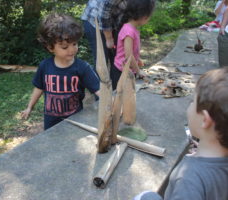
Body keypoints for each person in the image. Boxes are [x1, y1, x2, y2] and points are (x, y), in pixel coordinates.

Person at [133, 67, 228, 200]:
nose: (189, 106)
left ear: (205, 120)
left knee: (145, 196)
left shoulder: (189, 179)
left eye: (192, 102)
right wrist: (203, 148)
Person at [21, 13, 100, 130]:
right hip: (51, 121)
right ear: (50, 47)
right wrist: (29, 107)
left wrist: (112, 104)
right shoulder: (44, 66)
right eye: (64, 47)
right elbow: (39, 88)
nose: (72, 49)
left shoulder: (83, 67)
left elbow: (98, 90)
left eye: (74, 44)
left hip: (76, 120)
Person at [112, 0, 155, 89]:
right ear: (144, 16)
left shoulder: (132, 29)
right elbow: (128, 56)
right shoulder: (129, 31)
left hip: (128, 71)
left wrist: (137, 59)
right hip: (121, 72)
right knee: (122, 99)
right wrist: (139, 71)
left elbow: (130, 51)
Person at [81, 0, 128, 68]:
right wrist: (109, 38)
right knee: (102, 59)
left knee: (117, 57)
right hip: (94, 21)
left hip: (113, 20)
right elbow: (104, 16)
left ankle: (115, 78)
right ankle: (100, 78)